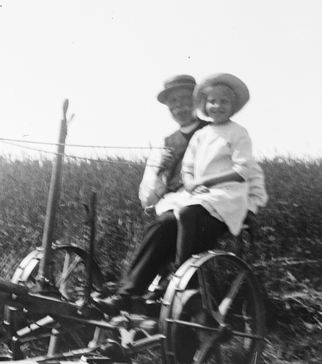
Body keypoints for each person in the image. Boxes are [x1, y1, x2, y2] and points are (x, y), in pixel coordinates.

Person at [96, 73, 266, 317]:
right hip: (186, 203)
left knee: (183, 219)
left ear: (197, 103)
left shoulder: (220, 129)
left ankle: (176, 283)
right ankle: (128, 293)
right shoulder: (169, 143)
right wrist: (158, 170)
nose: (179, 107)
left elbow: (250, 174)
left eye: (184, 100)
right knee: (164, 223)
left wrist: (251, 208)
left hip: (218, 206)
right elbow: (149, 197)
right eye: (173, 102)